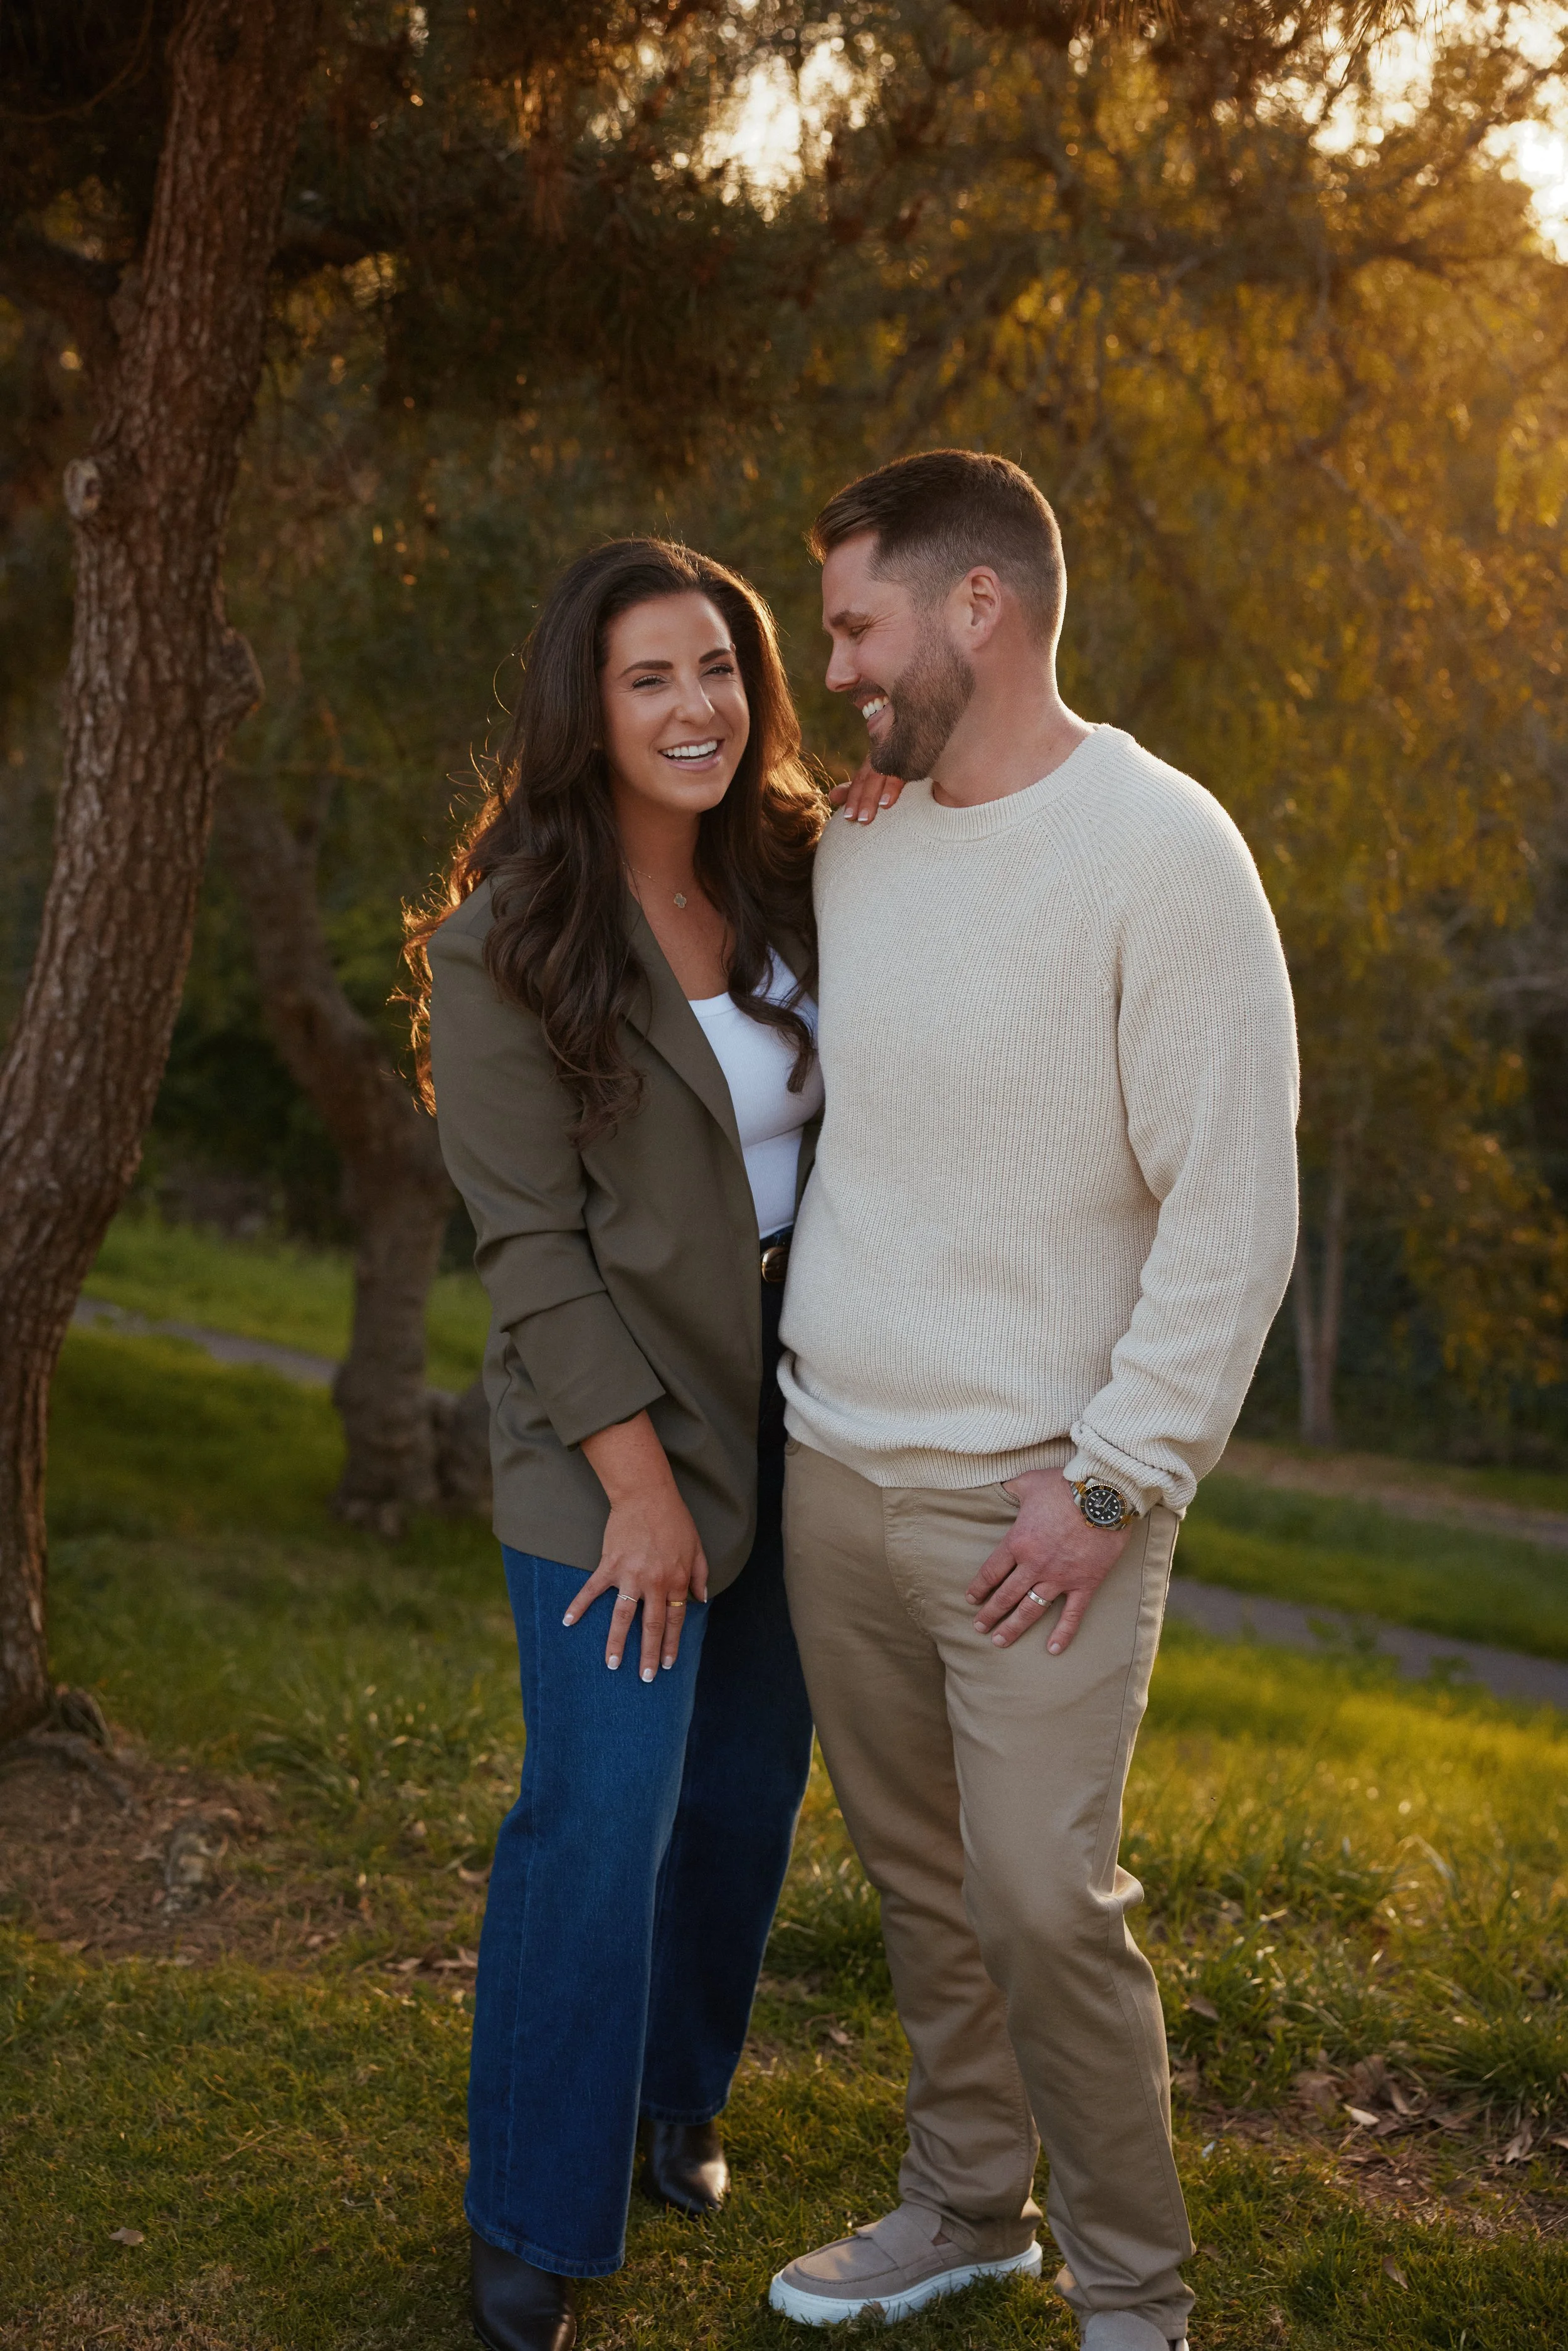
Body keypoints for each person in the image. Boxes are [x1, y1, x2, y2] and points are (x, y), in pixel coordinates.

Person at [770, 451, 1300, 2351]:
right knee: (922, 1884)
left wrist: (1111, 1479)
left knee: (1040, 1898)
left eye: (852, 622)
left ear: (973, 606)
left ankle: (1137, 2299)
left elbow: (1234, 1201)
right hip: (835, 1462)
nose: (830, 666)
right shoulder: (862, 833)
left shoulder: (1165, 849)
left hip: (1040, 1499)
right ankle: (963, 2205)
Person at [414, 538, 825, 2351]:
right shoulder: (505, 939)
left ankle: (681, 2094)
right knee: (600, 1814)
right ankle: (534, 2209)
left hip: (807, 1415)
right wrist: (639, 1491)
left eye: (719, 670)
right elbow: (530, 1249)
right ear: (586, 706)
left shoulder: (813, 874)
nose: (694, 708)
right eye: (650, 676)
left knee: (739, 1801)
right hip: (604, 1439)